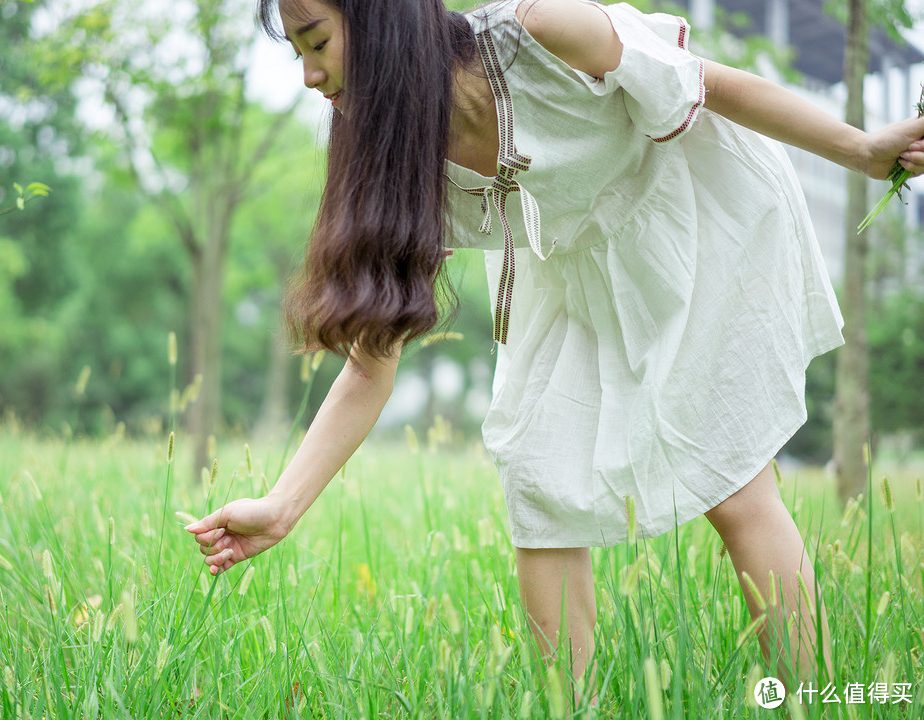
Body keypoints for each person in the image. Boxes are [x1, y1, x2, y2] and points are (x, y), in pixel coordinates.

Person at [185, 0, 924, 692]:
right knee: (537, 479)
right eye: (298, 54)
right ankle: (569, 704)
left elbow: (708, 83)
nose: (309, 75)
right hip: (565, 264)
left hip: (688, 222)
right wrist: (282, 506)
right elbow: (372, 357)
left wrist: (862, 150)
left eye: (316, 42)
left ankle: (820, 699)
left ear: (383, 20)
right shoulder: (386, 148)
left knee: (732, 485)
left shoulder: (540, 34)